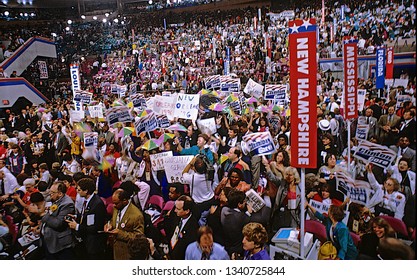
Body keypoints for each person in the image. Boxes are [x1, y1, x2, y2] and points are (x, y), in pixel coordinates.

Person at [66, 177, 107, 260]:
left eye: (79, 190)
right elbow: (87, 217)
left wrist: (77, 226)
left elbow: (95, 227)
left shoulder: (96, 204)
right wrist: (77, 217)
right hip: (86, 241)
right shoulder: (88, 200)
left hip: (93, 244)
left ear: (86, 191)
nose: (77, 191)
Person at [104, 188, 144, 260]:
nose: (114, 205)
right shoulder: (117, 208)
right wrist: (109, 225)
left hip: (127, 253)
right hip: (115, 249)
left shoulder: (137, 215)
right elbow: (113, 220)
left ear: (125, 201)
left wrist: (120, 233)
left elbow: (139, 238)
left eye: (116, 203)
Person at [39, 181, 75, 259]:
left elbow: (58, 224)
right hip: (49, 240)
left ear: (60, 194)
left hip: (58, 244)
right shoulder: (56, 199)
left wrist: (43, 215)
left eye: (52, 192)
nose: (50, 194)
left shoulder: (67, 204)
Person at [164, 195, 199, 260]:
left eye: (178, 209)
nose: (175, 210)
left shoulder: (193, 227)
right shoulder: (175, 216)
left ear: (187, 211)